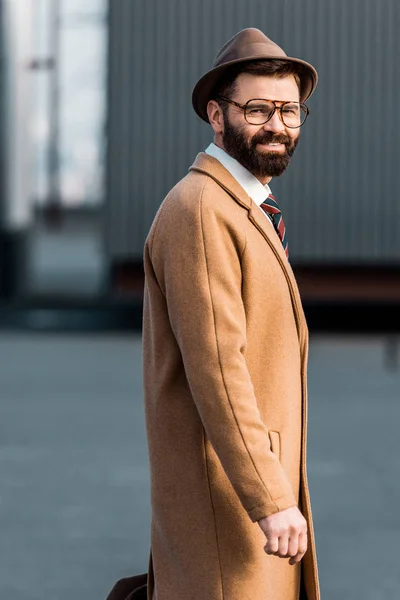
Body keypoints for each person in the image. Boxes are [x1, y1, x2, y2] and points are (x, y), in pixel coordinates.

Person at [142, 28, 320, 600]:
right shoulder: (202, 210)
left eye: (289, 110)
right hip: (232, 508)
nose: (277, 125)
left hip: (243, 497)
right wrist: (270, 499)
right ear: (218, 117)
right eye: (257, 109)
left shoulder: (243, 205)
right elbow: (219, 371)